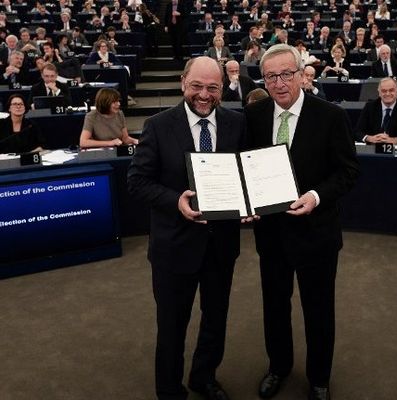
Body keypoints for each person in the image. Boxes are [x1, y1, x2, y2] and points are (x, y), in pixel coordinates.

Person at [244, 43, 359, 400]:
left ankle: (319, 378)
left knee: (318, 310)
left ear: (302, 74)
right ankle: (278, 367)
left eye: (286, 74)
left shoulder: (330, 116)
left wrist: (316, 196)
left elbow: (348, 171)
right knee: (275, 307)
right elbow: (244, 166)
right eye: (270, 76)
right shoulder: (255, 115)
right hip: (271, 234)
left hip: (317, 235)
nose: (279, 83)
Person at [128, 56, 245, 400]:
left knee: (215, 319)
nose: (204, 95)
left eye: (212, 87)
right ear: (183, 83)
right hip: (174, 247)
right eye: (197, 86)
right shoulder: (158, 125)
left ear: (222, 89)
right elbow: (137, 181)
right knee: (172, 326)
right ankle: (169, 389)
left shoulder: (236, 123)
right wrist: (174, 200)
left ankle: (203, 377)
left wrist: (250, 204)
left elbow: (244, 172)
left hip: (221, 245)